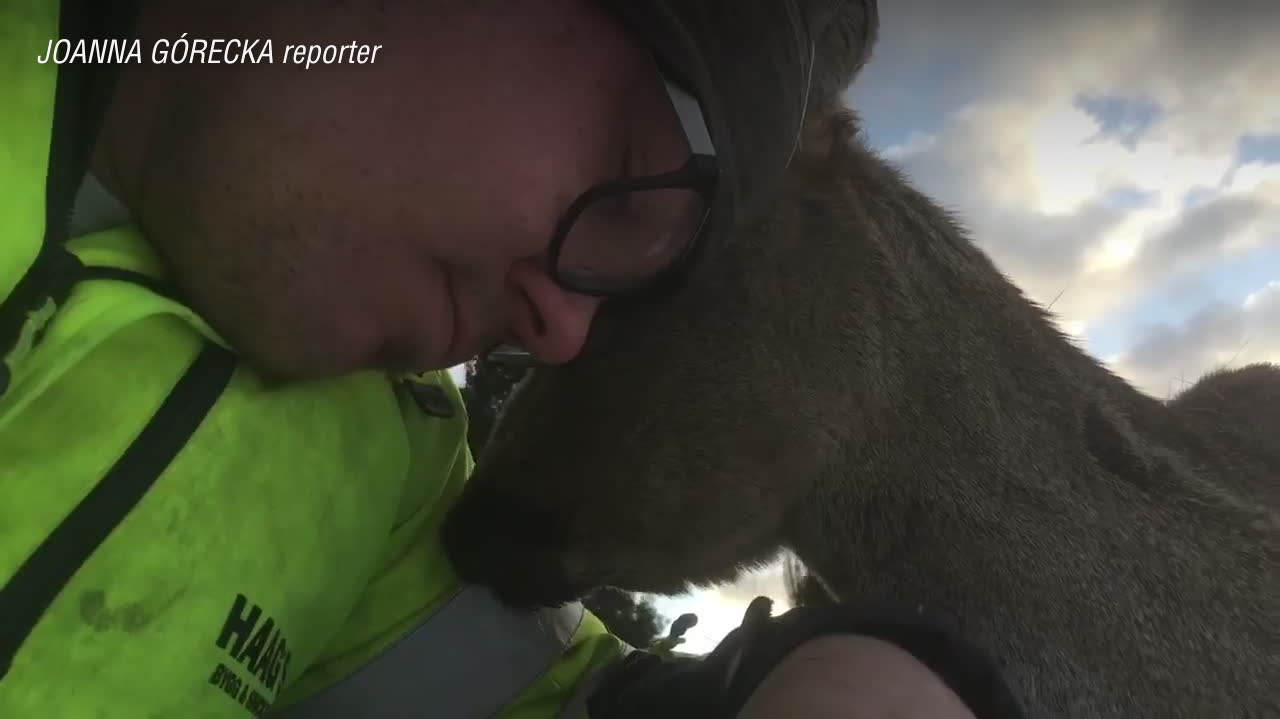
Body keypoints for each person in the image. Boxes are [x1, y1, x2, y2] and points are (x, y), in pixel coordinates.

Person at [0, 1, 1024, 717]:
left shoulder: (382, 483)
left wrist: (826, 672)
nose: (564, 332)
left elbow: (537, 698)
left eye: (629, 282)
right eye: (623, 187)